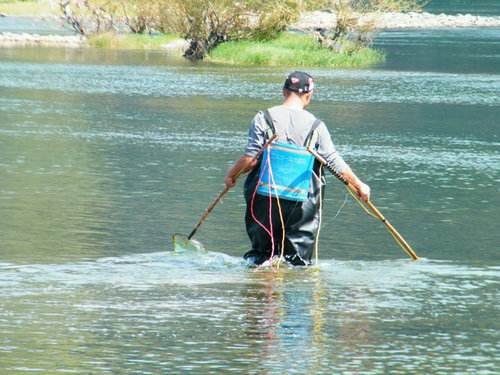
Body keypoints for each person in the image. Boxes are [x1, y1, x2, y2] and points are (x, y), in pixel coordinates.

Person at [224, 71, 370, 266]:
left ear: (284, 91)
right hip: (301, 201)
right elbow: (334, 161)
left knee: (261, 258)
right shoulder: (316, 126)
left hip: (263, 197)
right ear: (309, 95)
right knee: (296, 262)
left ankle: (261, 291)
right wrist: (359, 185)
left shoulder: (263, 118)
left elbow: (250, 160)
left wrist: (231, 176)